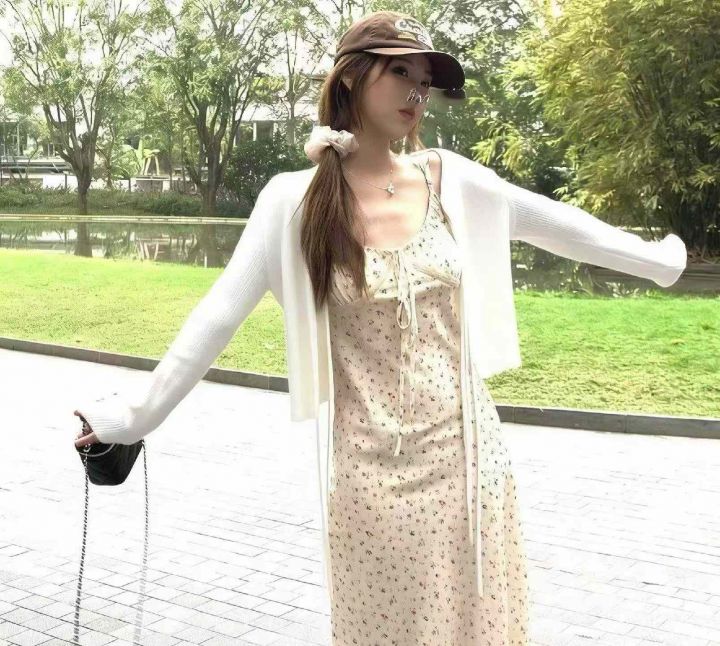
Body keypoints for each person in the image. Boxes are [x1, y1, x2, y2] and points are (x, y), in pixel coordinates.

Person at [74, 10, 687, 645]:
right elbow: (218, 314)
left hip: (468, 463)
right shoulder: (295, 200)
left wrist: (659, 262)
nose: (417, 92)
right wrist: (131, 418)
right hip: (368, 478)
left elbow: (558, 225)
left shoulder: (449, 180)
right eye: (401, 73)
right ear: (352, 77)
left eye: (425, 81)